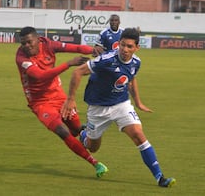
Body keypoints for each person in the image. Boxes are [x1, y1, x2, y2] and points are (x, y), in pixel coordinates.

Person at [61, 28, 176, 187]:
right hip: (98, 108)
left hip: (121, 104)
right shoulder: (106, 60)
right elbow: (77, 72)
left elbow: (131, 79)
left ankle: (160, 178)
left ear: (137, 47)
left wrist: (138, 102)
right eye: (122, 45)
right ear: (118, 44)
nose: (125, 49)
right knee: (93, 147)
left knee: (138, 134)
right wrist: (70, 99)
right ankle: (83, 133)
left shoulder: (137, 62)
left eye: (129, 46)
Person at [15, 26, 107, 177]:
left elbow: (75, 47)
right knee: (62, 131)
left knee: (76, 130)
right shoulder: (21, 58)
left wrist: (92, 50)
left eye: (29, 42)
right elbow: (40, 76)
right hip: (40, 103)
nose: (26, 46)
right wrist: (69, 64)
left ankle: (83, 133)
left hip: (59, 97)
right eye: (23, 43)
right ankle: (95, 163)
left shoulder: (49, 45)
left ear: (38, 39)